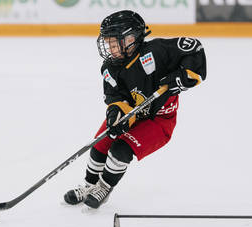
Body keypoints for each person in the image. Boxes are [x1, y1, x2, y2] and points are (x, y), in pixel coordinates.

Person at [64, 10, 207, 209]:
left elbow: (194, 49)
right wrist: (116, 115)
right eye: (109, 43)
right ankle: (90, 185)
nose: (110, 48)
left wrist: (182, 77)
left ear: (131, 39)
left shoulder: (157, 51)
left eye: (114, 43)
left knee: (119, 150)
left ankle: (104, 187)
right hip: (134, 113)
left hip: (159, 121)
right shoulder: (110, 68)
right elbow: (116, 97)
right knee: (99, 145)